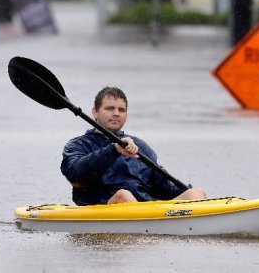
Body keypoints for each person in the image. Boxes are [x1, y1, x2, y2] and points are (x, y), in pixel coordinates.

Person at [61, 87, 206, 206]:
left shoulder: (140, 146)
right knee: (123, 195)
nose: (116, 113)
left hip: (146, 209)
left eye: (121, 110)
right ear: (95, 112)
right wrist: (114, 150)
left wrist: (185, 192)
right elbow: (75, 175)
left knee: (196, 193)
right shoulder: (78, 145)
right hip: (107, 207)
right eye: (110, 108)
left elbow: (164, 188)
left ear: (126, 115)